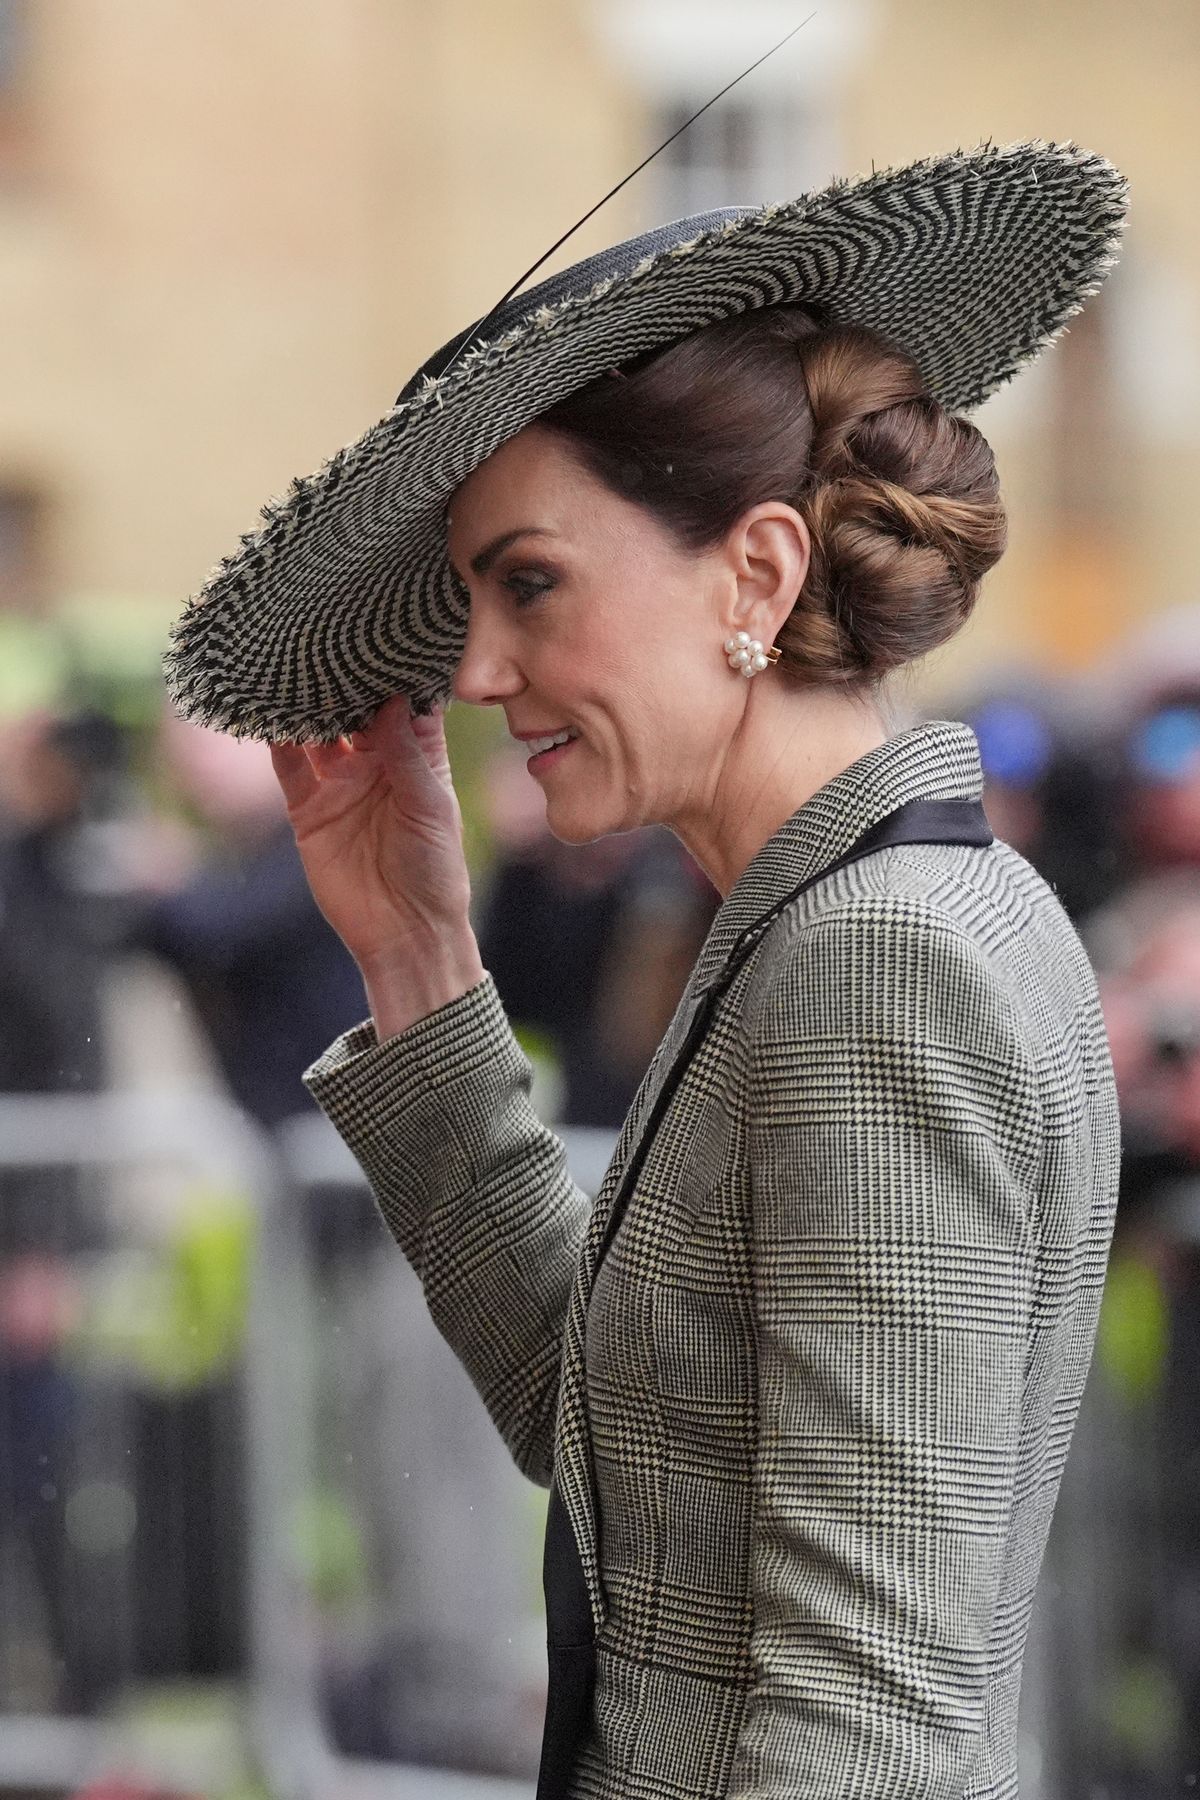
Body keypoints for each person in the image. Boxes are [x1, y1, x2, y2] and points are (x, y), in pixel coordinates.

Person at [165, 143, 1128, 1797]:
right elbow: (613, 1437)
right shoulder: (839, 914)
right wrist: (415, 949)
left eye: (528, 582)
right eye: (470, 599)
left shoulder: (879, 961)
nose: (474, 668)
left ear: (756, 574)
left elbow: (863, 1716)